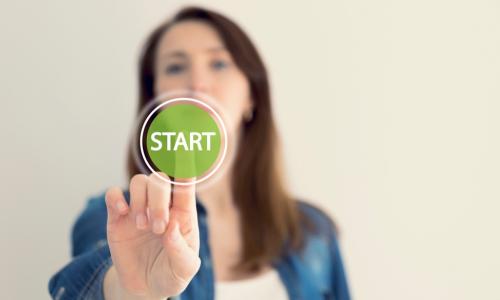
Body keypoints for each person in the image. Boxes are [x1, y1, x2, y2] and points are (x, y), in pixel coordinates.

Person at [48, 6, 351, 300]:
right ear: (156, 101)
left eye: (219, 63)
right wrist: (134, 292)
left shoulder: (312, 231)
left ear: (251, 97)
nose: (197, 83)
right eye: (175, 67)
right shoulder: (116, 217)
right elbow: (87, 288)